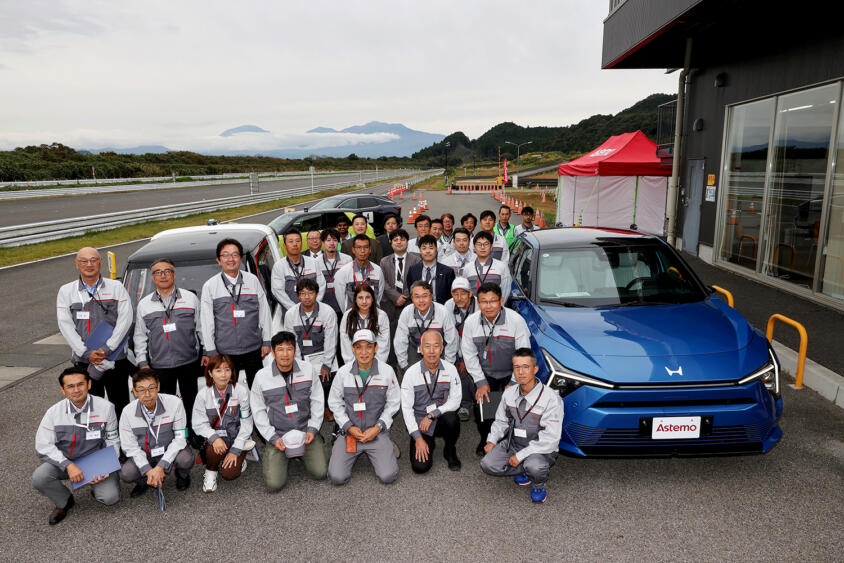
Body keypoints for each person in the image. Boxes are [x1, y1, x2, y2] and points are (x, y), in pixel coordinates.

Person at [32, 367, 120, 525]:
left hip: (96, 460)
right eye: (70, 386)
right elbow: (43, 445)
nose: (76, 390)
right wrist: (68, 465)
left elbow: (113, 440)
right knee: (39, 477)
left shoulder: (106, 407)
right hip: (66, 461)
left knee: (110, 498)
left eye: (80, 384)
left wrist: (104, 466)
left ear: (89, 384)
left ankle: (97, 487)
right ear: (62, 390)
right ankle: (64, 501)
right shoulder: (53, 412)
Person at [133, 258, 202, 447]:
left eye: (167, 271)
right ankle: (170, 437)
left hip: (189, 361)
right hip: (160, 365)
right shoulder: (144, 304)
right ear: (152, 277)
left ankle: (194, 434)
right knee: (165, 404)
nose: (163, 275)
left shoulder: (190, 298)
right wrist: (142, 362)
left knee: (191, 401)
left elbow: (201, 328)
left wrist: (207, 353)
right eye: (158, 272)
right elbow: (140, 336)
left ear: (174, 274)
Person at [480, 348, 563, 504]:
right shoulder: (509, 393)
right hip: (515, 443)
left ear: (535, 369)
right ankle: (524, 469)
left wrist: (520, 456)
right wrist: (492, 440)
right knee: (487, 464)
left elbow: (550, 439)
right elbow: (501, 421)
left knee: (535, 466)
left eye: (526, 367)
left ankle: (538, 484)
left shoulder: (551, 398)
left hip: (540, 449)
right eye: (517, 367)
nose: (521, 372)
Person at [56, 246, 133, 416]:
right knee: (90, 408)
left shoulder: (116, 287)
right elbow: (65, 325)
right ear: (76, 264)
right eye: (84, 261)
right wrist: (85, 352)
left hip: (115, 359)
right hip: (85, 362)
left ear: (100, 262)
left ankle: (121, 434)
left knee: (121, 406)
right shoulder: (66, 291)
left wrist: (108, 348)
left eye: (93, 260)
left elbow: (126, 319)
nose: (89, 264)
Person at [250, 331, 328, 491]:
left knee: (320, 473)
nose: (285, 354)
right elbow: (258, 411)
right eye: (280, 349)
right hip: (278, 435)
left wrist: (313, 428)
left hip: (306, 432)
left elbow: (318, 401)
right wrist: (272, 437)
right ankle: (283, 455)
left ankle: (310, 448)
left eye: (289, 349)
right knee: (274, 484)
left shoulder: (308, 370)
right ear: (273, 352)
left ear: (295, 350)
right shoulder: (261, 377)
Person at [461, 282, 530, 456]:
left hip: (511, 372)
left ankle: (509, 440)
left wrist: (514, 382)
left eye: (493, 301)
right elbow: (469, 354)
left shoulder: (516, 321)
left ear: (501, 301)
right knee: (482, 405)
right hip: (485, 372)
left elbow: (524, 354)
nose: (488, 306)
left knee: (513, 406)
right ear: (478, 303)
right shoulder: (471, 322)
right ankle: (486, 438)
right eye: (484, 301)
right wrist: (480, 382)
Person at [327, 329, 400, 486]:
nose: (364, 352)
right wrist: (348, 426)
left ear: (376, 348)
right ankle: (341, 442)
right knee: (336, 477)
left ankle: (385, 443)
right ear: (353, 349)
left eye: (368, 346)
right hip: (350, 433)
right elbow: (334, 402)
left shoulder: (387, 372)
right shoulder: (343, 373)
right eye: (359, 347)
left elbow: (394, 403)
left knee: (388, 476)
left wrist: (378, 427)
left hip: (376, 432)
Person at [200, 238, 272, 388]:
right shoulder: (210, 286)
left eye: (235, 255)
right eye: (225, 255)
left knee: (258, 389)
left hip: (253, 348)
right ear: (218, 260)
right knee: (227, 390)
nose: (230, 259)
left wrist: (266, 341)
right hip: (225, 352)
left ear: (240, 258)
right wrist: (211, 350)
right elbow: (206, 321)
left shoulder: (252, 280)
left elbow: (264, 312)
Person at [119, 368, 194, 497]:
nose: (147, 394)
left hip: (168, 450)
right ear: (134, 392)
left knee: (185, 458)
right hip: (145, 454)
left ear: (158, 386)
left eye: (151, 388)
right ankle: (145, 480)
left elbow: (180, 439)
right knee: (127, 473)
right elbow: (129, 446)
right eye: (141, 390)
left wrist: (161, 465)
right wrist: (147, 469)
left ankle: (182, 475)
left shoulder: (175, 403)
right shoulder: (127, 412)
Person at [400, 331, 462, 473]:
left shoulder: (451, 370)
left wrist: (433, 414)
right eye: (427, 346)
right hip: (420, 424)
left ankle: (450, 450)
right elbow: (406, 408)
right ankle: (428, 441)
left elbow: (456, 400)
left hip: (440, 418)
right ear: (420, 349)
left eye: (436, 346)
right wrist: (417, 438)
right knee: (420, 467)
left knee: (452, 418)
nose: (432, 351)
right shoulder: (411, 373)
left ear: (442, 349)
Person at [192, 354, 254, 492]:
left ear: (232, 372)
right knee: (212, 449)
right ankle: (211, 471)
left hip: (237, 438)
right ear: (210, 373)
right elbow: (198, 423)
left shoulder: (241, 391)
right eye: (218, 370)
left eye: (227, 370)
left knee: (229, 474)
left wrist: (236, 449)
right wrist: (214, 438)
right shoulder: (203, 394)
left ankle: (238, 458)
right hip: (216, 440)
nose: (224, 375)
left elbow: (247, 422)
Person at [394, 281, 458, 373]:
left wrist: (448, 365)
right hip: (415, 349)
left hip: (438, 351)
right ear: (412, 298)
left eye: (425, 296)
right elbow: (400, 341)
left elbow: (452, 340)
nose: (421, 300)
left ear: (431, 296)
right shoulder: (407, 312)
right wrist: (404, 366)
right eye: (417, 297)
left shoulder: (443, 312)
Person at [283, 278, 338, 381]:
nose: (307, 297)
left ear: (316, 294)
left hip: (323, 358)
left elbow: (331, 340)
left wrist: (327, 364)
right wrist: (299, 365)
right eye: (303, 293)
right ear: (298, 296)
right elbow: (292, 343)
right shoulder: (290, 314)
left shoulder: (328, 312)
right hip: (302, 358)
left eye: (310, 293)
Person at [443, 277, 477, 422]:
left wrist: (467, 359)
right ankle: (464, 404)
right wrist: (459, 358)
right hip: (456, 345)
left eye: (463, 293)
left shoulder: (479, 305)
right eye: (455, 294)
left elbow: (478, 335)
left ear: (470, 293)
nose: (459, 298)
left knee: (474, 371)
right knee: (458, 371)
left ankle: (480, 402)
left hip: (477, 345)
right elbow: (451, 335)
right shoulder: (448, 305)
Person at [272, 228, 326, 316]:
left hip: (314, 312)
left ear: (301, 243)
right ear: (285, 245)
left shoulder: (313, 262)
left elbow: (321, 285)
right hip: (291, 315)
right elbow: (278, 292)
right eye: (291, 241)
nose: (295, 244)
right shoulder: (279, 266)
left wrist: (312, 305)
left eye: (297, 241)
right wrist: (295, 310)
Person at [339, 283, 390, 365]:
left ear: (373, 299)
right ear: (355, 299)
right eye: (360, 298)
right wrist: (352, 365)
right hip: (353, 362)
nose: (364, 301)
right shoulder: (347, 316)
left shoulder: (381, 315)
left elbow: (383, 345)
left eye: (367, 297)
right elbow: (345, 345)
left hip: (377, 362)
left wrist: (376, 365)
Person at [334, 234, 385, 310]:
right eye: (359, 247)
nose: (362, 251)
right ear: (353, 250)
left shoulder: (378, 270)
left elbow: (379, 296)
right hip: (352, 315)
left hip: (373, 314)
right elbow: (341, 299)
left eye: (366, 247)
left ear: (370, 250)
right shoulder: (343, 272)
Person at [406, 234, 455, 305]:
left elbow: (450, 296)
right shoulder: (413, 270)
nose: (427, 251)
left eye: (431, 248)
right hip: (419, 306)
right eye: (424, 248)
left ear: (436, 250)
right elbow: (411, 293)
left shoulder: (448, 272)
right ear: (420, 251)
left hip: (441, 307)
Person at [316, 228, 352, 317]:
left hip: (343, 306)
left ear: (338, 242)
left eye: (335, 240)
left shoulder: (347, 260)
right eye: (328, 240)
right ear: (323, 243)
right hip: (324, 307)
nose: (332, 243)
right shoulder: (316, 262)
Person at [465, 231, 512, 299]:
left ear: (491, 247)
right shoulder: (468, 268)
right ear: (474, 247)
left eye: (486, 244)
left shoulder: (502, 267)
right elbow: (466, 290)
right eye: (479, 244)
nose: (482, 247)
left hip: (495, 305)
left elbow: (506, 291)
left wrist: (498, 304)